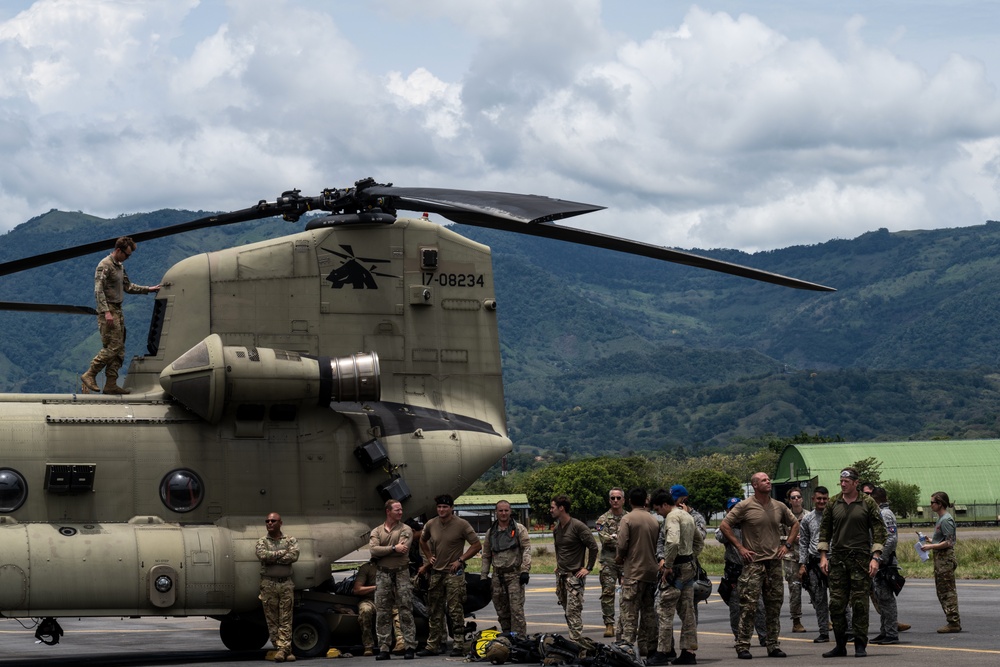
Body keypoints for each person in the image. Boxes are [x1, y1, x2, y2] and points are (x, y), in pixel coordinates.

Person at [718, 472, 798, 660]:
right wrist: (740, 547)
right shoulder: (745, 506)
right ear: (754, 485)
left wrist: (786, 545)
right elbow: (724, 525)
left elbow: (795, 524)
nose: (768, 482)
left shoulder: (779, 506)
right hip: (754, 563)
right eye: (763, 480)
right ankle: (743, 645)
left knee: (774, 605)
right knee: (748, 606)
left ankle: (772, 644)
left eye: (769, 479)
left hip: (774, 562)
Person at [818, 467, 887, 658]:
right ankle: (840, 645)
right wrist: (823, 556)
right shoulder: (834, 502)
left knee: (859, 604)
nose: (842, 484)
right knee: (837, 604)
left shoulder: (867, 502)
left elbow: (880, 531)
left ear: (856, 483)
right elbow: (825, 531)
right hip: (838, 559)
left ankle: (860, 645)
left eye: (846, 481)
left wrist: (876, 557)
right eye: (841, 481)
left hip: (861, 558)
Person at [80, 236, 161, 395]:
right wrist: (106, 312)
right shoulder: (105, 265)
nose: (128, 257)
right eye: (127, 254)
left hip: (118, 309)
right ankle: (90, 373)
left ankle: (111, 384)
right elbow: (98, 291)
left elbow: (128, 287)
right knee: (114, 346)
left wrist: (148, 289)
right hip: (108, 311)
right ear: (118, 250)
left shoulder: (120, 266)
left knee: (120, 349)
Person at [418, 494, 482, 656]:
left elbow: (476, 545)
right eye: (439, 507)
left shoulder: (462, 524)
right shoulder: (431, 524)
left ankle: (458, 644)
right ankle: (434, 644)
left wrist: (460, 559)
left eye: (445, 507)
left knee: (455, 609)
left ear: (451, 508)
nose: (441, 510)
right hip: (437, 573)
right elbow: (422, 540)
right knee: (434, 610)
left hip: (454, 573)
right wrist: (429, 556)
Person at [649, 489, 704, 666]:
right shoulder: (688, 516)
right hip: (689, 567)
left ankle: (662, 653)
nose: (658, 513)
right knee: (687, 611)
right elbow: (699, 541)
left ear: (665, 505)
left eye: (658, 509)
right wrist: (691, 557)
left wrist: (668, 565)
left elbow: (672, 542)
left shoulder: (672, 517)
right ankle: (689, 652)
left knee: (664, 610)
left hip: (677, 569)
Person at [369, 500, 417, 660]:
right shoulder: (377, 531)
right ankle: (384, 647)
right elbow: (373, 550)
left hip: (401, 573)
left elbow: (403, 550)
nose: (400, 512)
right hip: (383, 574)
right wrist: (392, 548)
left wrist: (388, 550)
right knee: (382, 611)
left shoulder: (406, 529)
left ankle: (409, 645)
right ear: (388, 511)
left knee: (405, 609)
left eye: (401, 509)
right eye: (397, 510)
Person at [615, 487, 660, 657]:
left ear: (629, 501)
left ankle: (627, 645)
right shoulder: (654, 520)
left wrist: (620, 558)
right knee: (648, 611)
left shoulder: (627, 519)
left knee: (630, 612)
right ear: (645, 502)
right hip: (651, 572)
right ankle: (649, 646)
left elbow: (621, 544)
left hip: (633, 571)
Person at [717, 497, 767, 647]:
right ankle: (739, 637)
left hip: (751, 569)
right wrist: (729, 522)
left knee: (759, 605)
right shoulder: (727, 528)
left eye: (736, 508)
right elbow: (720, 536)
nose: (734, 511)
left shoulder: (750, 524)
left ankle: (764, 636)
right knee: (735, 607)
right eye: (731, 509)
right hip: (734, 572)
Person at [550, 494, 599, 642]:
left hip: (574, 577)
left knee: (573, 611)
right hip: (562, 576)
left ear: (561, 508)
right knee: (567, 611)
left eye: (552, 507)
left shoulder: (578, 526)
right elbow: (559, 549)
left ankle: (577, 644)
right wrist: (558, 566)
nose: (550, 510)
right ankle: (574, 641)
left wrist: (588, 568)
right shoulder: (557, 529)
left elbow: (593, 547)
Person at [481, 499, 532, 635]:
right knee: (501, 610)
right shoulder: (490, 533)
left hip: (514, 575)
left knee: (516, 610)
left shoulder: (519, 529)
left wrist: (525, 570)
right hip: (497, 576)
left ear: (510, 511)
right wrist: (484, 576)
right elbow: (486, 555)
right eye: (500, 510)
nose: (503, 513)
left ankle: (520, 639)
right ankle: (507, 635)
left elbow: (526, 549)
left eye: (506, 510)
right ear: (496, 512)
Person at [255, 512, 300, 663]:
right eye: (267, 521)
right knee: (272, 618)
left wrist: (273, 557)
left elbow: (293, 556)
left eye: (273, 521)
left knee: (286, 617)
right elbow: (262, 556)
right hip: (268, 584)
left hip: (285, 583)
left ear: (280, 523)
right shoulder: (262, 541)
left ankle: (282, 650)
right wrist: (282, 553)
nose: (269, 523)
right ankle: (283, 649)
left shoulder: (290, 540)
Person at [921, 491, 961, 633]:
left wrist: (931, 546)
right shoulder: (940, 519)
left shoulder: (946, 520)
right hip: (940, 559)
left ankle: (953, 622)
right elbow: (942, 540)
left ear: (940, 504)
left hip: (945, 559)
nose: (931, 505)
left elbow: (949, 542)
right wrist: (930, 540)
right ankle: (951, 620)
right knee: (942, 590)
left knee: (947, 591)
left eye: (933, 502)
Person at [798, 487, 831, 643]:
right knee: (819, 599)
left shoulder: (835, 517)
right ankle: (824, 631)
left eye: (824, 498)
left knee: (840, 599)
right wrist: (802, 564)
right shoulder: (807, 519)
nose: (822, 501)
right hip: (814, 563)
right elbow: (803, 543)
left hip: (833, 562)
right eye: (819, 499)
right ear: (813, 499)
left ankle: (847, 630)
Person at [868, 487, 900, 645]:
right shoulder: (879, 513)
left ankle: (892, 633)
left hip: (885, 563)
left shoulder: (885, 514)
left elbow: (891, 539)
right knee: (881, 598)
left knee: (887, 599)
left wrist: (880, 558)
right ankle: (884, 631)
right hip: (880, 562)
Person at [596, 487, 627, 637]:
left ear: (623, 500)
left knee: (627, 594)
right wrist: (620, 540)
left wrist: (615, 537)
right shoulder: (602, 519)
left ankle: (626, 623)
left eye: (618, 498)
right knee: (608, 593)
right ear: (609, 500)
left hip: (627, 562)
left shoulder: (629, 517)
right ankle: (609, 624)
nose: (615, 500)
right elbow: (604, 539)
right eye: (613, 498)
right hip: (609, 562)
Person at [782, 489, 806, 633]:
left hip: (808, 556)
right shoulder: (785, 517)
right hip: (791, 557)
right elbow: (778, 537)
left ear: (802, 499)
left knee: (817, 589)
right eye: (793, 497)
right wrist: (790, 539)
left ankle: (824, 618)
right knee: (795, 589)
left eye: (798, 497)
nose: (796, 499)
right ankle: (796, 621)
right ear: (789, 500)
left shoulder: (809, 516)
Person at [353, 561, 379, 656]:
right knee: (365, 610)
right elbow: (357, 589)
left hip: (387, 600)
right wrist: (376, 587)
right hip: (369, 600)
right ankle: (368, 645)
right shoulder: (367, 568)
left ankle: (400, 642)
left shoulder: (392, 565)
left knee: (397, 611)